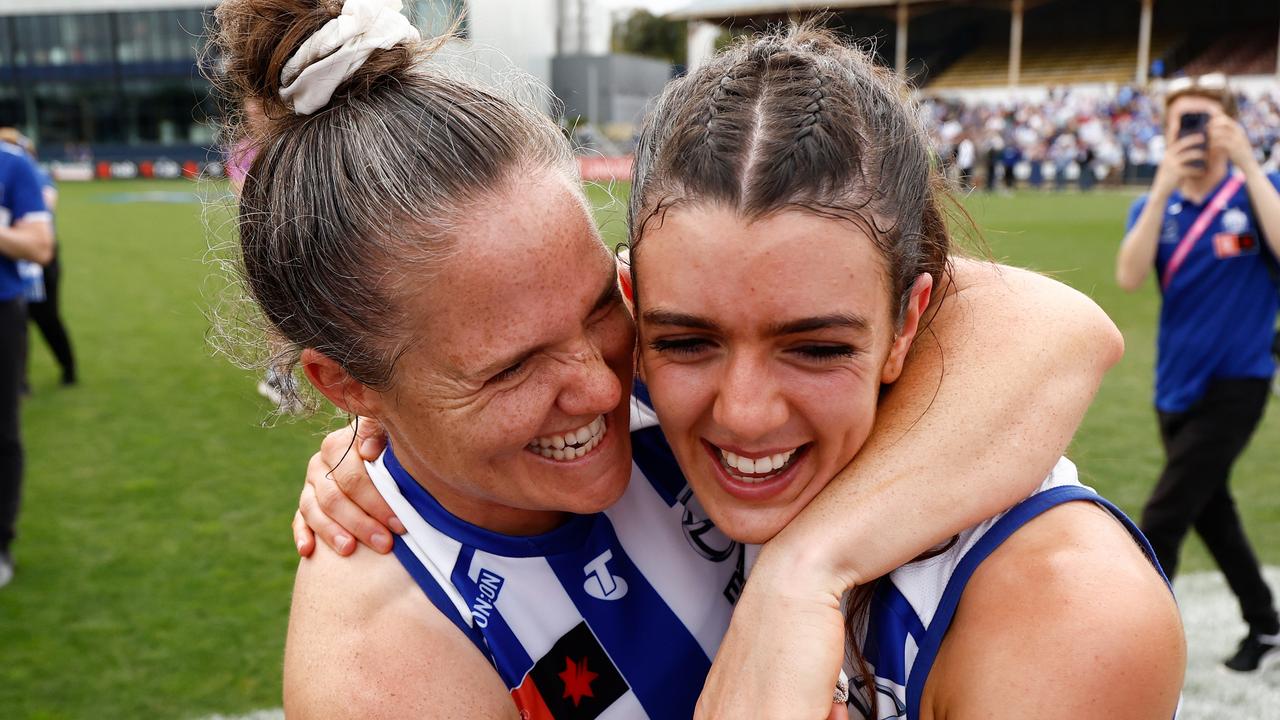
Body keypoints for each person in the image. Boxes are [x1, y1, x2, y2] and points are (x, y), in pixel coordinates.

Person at [214, 1, 1122, 717]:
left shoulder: (684, 360)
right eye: (511, 367)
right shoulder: (380, 666)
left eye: (601, 308)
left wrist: (803, 575)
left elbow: (1056, 329)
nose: (603, 385)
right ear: (347, 384)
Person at [1116, 74, 1280, 673]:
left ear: (1231, 127)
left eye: (1206, 122)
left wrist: (1251, 167)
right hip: (1174, 386)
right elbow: (1130, 275)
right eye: (1182, 122)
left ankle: (1135, 646)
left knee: (1163, 517)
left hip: (1238, 381)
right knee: (1214, 512)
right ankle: (1266, 625)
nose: (1195, 135)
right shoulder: (1154, 204)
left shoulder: (1258, 192)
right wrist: (1159, 190)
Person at [0, 133, 53, 588]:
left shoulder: (11, 165)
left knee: (2, 433)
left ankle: (1, 544)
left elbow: (40, 246)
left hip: (2, 312)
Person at [0, 129, 76, 389]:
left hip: (39, 262)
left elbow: (46, 205)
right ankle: (19, 380)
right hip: (12, 259)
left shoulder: (29, 173)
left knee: (46, 318)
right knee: (15, 321)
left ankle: (68, 368)